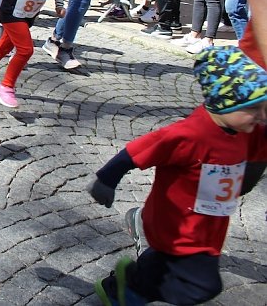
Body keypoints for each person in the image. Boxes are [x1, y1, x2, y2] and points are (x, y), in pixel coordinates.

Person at [87, 45, 267, 306]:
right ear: (224, 102)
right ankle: (134, 287)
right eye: (254, 109)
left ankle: (122, 287)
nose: (261, 117)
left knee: (162, 262)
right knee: (203, 286)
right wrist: (106, 179)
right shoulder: (190, 134)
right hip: (176, 225)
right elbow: (138, 150)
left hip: (208, 226)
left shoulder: (244, 130)